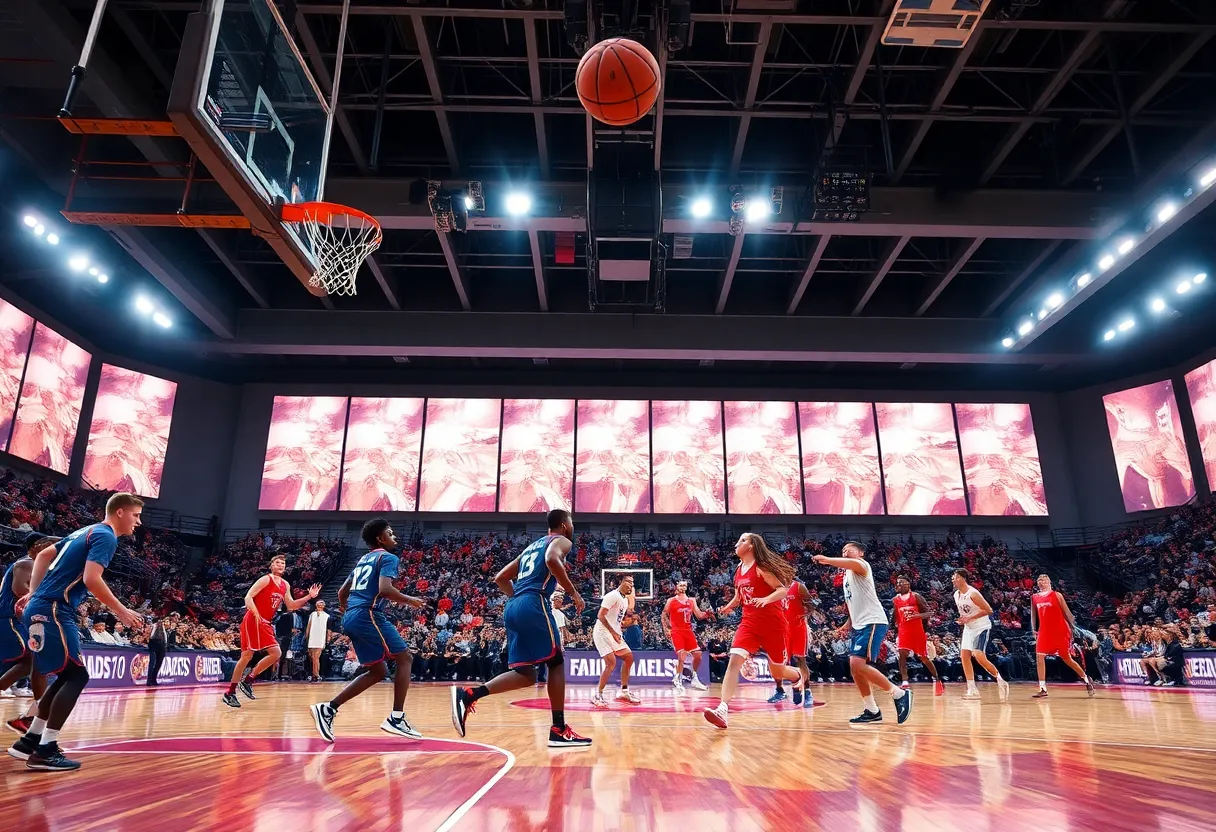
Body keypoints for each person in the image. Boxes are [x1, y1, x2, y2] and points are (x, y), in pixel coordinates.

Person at [8, 494, 145, 771]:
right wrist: (121, 610)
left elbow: (45, 555)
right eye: (136, 515)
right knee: (78, 675)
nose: (138, 522)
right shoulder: (106, 536)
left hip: (44, 605)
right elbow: (91, 579)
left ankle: (31, 741)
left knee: (67, 673)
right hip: (56, 609)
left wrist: (34, 593)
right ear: (120, 512)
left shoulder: (85, 530)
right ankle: (45, 750)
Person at [451, 508, 591, 748]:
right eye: (572, 523)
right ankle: (558, 729)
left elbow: (500, 578)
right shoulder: (562, 540)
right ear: (565, 525)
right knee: (556, 662)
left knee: (526, 674)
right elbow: (551, 560)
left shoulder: (529, 548)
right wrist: (573, 593)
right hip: (534, 602)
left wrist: (519, 598)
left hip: (513, 606)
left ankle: (470, 695)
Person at [310, 519, 427, 742]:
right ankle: (396, 717)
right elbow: (385, 589)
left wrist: (348, 610)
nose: (395, 537)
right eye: (391, 534)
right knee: (405, 658)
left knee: (379, 672)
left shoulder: (362, 560)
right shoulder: (388, 557)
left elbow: (342, 593)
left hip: (353, 616)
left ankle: (329, 709)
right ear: (380, 539)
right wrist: (410, 600)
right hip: (368, 614)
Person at [703, 533, 803, 729]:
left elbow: (781, 590)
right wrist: (728, 607)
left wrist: (766, 600)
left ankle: (798, 676)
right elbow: (739, 597)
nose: (736, 543)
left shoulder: (761, 567)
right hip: (749, 624)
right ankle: (723, 709)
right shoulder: (739, 570)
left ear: (751, 546)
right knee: (733, 663)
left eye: (742, 540)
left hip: (773, 626)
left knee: (778, 670)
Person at [812, 541, 913, 725]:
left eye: (848, 549)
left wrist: (827, 559)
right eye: (842, 550)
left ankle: (899, 693)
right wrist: (847, 624)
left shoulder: (862, 565)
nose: (844, 551)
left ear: (861, 552)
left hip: (872, 621)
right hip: (859, 624)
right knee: (855, 668)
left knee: (858, 664)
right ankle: (872, 710)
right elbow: (853, 603)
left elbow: (851, 564)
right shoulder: (847, 577)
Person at [221, 554, 320, 708]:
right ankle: (230, 692)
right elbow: (248, 598)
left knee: (276, 653)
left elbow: (292, 606)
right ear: (271, 565)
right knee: (247, 655)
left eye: (283, 563)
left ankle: (248, 680)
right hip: (253, 619)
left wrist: (309, 596)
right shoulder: (265, 579)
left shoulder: (285, 585)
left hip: (266, 622)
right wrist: (255, 613)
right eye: (277, 562)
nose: (281, 565)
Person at [0, 533, 58, 735]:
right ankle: (39, 710)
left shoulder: (36, 566)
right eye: (51, 547)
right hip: (8, 618)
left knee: (31, 662)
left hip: (17, 619)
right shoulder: (26, 563)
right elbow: (18, 589)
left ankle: (37, 712)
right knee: (35, 658)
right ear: (38, 547)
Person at [1030, 574, 1095, 698]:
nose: (1040, 582)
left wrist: (1073, 629)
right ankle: (1043, 688)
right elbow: (1033, 615)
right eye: (1039, 580)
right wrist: (1033, 629)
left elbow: (1067, 613)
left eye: (1043, 580)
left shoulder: (1057, 595)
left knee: (1067, 659)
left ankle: (1086, 679)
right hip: (1044, 631)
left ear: (1049, 581)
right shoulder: (1034, 597)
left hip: (1060, 630)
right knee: (1039, 656)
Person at [952, 569, 1009, 702]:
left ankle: (1000, 680)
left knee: (978, 655)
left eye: (955, 577)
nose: (952, 580)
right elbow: (965, 612)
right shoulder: (956, 594)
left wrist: (970, 618)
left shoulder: (973, 593)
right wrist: (963, 619)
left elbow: (989, 610)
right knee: (964, 656)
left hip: (981, 627)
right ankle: (972, 689)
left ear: (962, 578)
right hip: (969, 628)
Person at [591, 574, 640, 708]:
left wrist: (625, 626)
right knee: (611, 663)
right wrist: (613, 632)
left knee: (629, 657)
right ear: (621, 583)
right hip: (602, 632)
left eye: (633, 583)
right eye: (629, 582)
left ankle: (623, 691)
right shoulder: (612, 595)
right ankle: (597, 694)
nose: (631, 585)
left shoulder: (624, 600)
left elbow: (616, 620)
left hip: (613, 632)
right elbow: (600, 615)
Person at [892, 576, 944, 696]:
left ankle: (937, 679)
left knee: (923, 657)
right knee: (901, 655)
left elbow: (929, 613)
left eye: (902, 583)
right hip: (903, 631)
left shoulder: (916, 596)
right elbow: (895, 615)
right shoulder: (895, 599)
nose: (899, 585)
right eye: (898, 584)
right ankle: (905, 681)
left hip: (916, 631)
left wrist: (916, 616)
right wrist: (895, 627)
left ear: (908, 585)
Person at [661, 580, 711, 692]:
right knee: (682, 656)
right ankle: (678, 679)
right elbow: (664, 614)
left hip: (688, 631)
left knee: (698, 655)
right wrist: (666, 629)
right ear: (676, 587)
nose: (683, 587)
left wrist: (707, 613)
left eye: (685, 585)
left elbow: (699, 615)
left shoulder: (692, 600)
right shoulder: (671, 601)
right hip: (676, 631)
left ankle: (694, 677)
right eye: (680, 585)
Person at [784, 578, 815, 707]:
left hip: (798, 628)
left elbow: (810, 601)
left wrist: (808, 612)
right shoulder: (774, 587)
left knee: (800, 659)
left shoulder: (798, 586)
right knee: (783, 662)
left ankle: (807, 691)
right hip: (783, 629)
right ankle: (795, 687)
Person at [146, 612, 178, 687]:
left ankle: (154, 679)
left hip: (162, 647)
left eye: (168, 622)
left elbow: (168, 640)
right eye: (166, 621)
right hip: (155, 645)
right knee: (152, 663)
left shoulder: (167, 631)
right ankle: (149, 680)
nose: (167, 623)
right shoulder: (157, 626)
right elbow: (151, 636)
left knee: (158, 664)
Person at [305, 600, 330, 682]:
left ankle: (316, 674)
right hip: (312, 638)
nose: (320, 604)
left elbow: (328, 629)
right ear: (316, 605)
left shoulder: (327, 616)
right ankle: (314, 674)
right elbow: (308, 626)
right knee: (312, 657)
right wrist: (307, 637)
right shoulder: (312, 614)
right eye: (319, 603)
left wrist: (327, 639)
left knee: (316, 657)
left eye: (322, 603)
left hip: (320, 637)